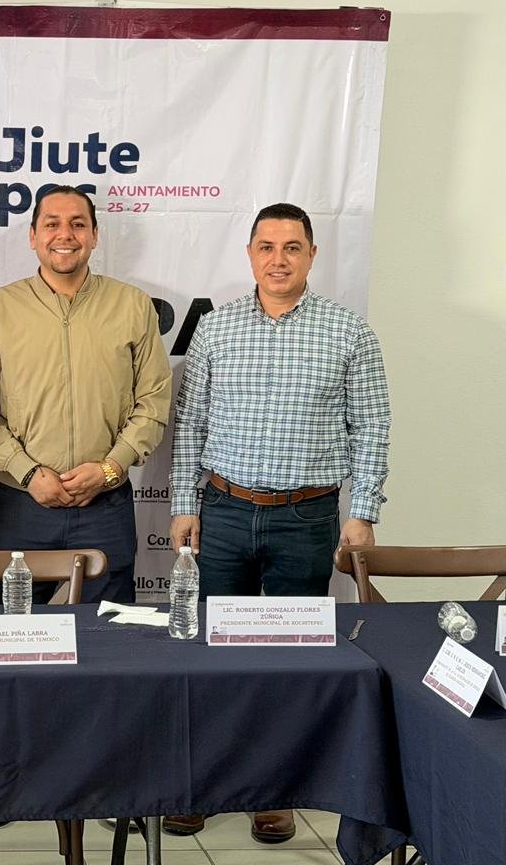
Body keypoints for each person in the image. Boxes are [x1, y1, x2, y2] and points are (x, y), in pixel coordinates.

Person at [164, 202, 391, 844]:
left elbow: (372, 426)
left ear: (313, 254)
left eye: (293, 247)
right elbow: (191, 422)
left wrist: (363, 512)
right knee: (211, 654)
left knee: (292, 658)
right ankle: (204, 783)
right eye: (267, 247)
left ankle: (276, 789)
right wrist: (183, 503)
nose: (279, 259)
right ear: (250, 255)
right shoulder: (216, 329)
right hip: (224, 512)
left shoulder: (348, 332)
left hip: (307, 516)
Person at [0, 186, 171, 602]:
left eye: (78, 224)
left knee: (108, 633)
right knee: (15, 634)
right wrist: (28, 472)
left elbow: (153, 401)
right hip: (21, 505)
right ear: (33, 236)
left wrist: (110, 469)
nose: (65, 234)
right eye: (52, 224)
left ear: (95, 235)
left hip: (105, 508)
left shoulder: (133, 305)